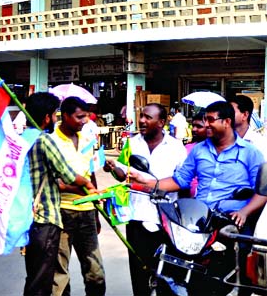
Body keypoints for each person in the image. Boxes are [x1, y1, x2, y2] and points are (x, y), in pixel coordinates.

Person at [131, 101, 266, 296]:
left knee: (236, 273)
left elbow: (262, 191)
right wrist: (146, 182)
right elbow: (180, 180)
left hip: (231, 221)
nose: (206, 124)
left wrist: (244, 212)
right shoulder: (199, 150)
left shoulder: (250, 152)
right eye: (205, 120)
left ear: (227, 121)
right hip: (200, 219)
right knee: (173, 264)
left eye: (211, 120)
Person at [105, 103, 187, 296]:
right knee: (139, 270)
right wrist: (113, 168)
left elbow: (183, 182)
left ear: (161, 122)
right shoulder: (132, 143)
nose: (142, 120)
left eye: (148, 117)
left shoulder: (176, 148)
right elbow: (122, 173)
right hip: (137, 216)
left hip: (167, 220)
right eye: (141, 116)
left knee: (166, 272)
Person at [23, 92, 97, 296]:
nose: (54, 119)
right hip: (47, 217)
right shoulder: (45, 140)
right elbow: (68, 175)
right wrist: (88, 185)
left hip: (31, 217)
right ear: (48, 117)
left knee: (36, 276)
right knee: (44, 280)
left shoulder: (23, 139)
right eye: (53, 114)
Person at [51, 97, 106, 296]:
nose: (84, 121)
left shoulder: (86, 139)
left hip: (87, 213)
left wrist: (97, 213)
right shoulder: (51, 141)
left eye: (86, 117)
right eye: (79, 117)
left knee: (95, 271)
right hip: (61, 213)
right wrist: (77, 189)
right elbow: (52, 181)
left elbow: (90, 174)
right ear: (64, 116)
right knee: (59, 274)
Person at [229, 94, 267, 160]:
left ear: (245, 115)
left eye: (231, 112)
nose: (227, 115)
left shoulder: (260, 143)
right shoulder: (223, 140)